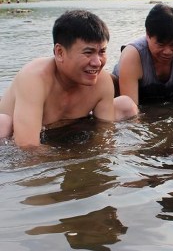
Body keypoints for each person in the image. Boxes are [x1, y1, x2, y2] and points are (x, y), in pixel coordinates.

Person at [0, 10, 138, 148]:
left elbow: (105, 135)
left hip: (69, 129)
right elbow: (27, 147)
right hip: (20, 133)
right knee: (3, 124)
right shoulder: (34, 78)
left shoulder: (102, 81)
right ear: (60, 52)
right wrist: (71, 159)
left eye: (102, 52)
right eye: (88, 52)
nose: (97, 62)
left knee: (126, 105)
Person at [112, 3, 173, 104]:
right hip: (130, 93)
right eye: (161, 44)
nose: (168, 52)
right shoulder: (132, 55)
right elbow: (130, 108)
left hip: (168, 90)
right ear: (148, 35)